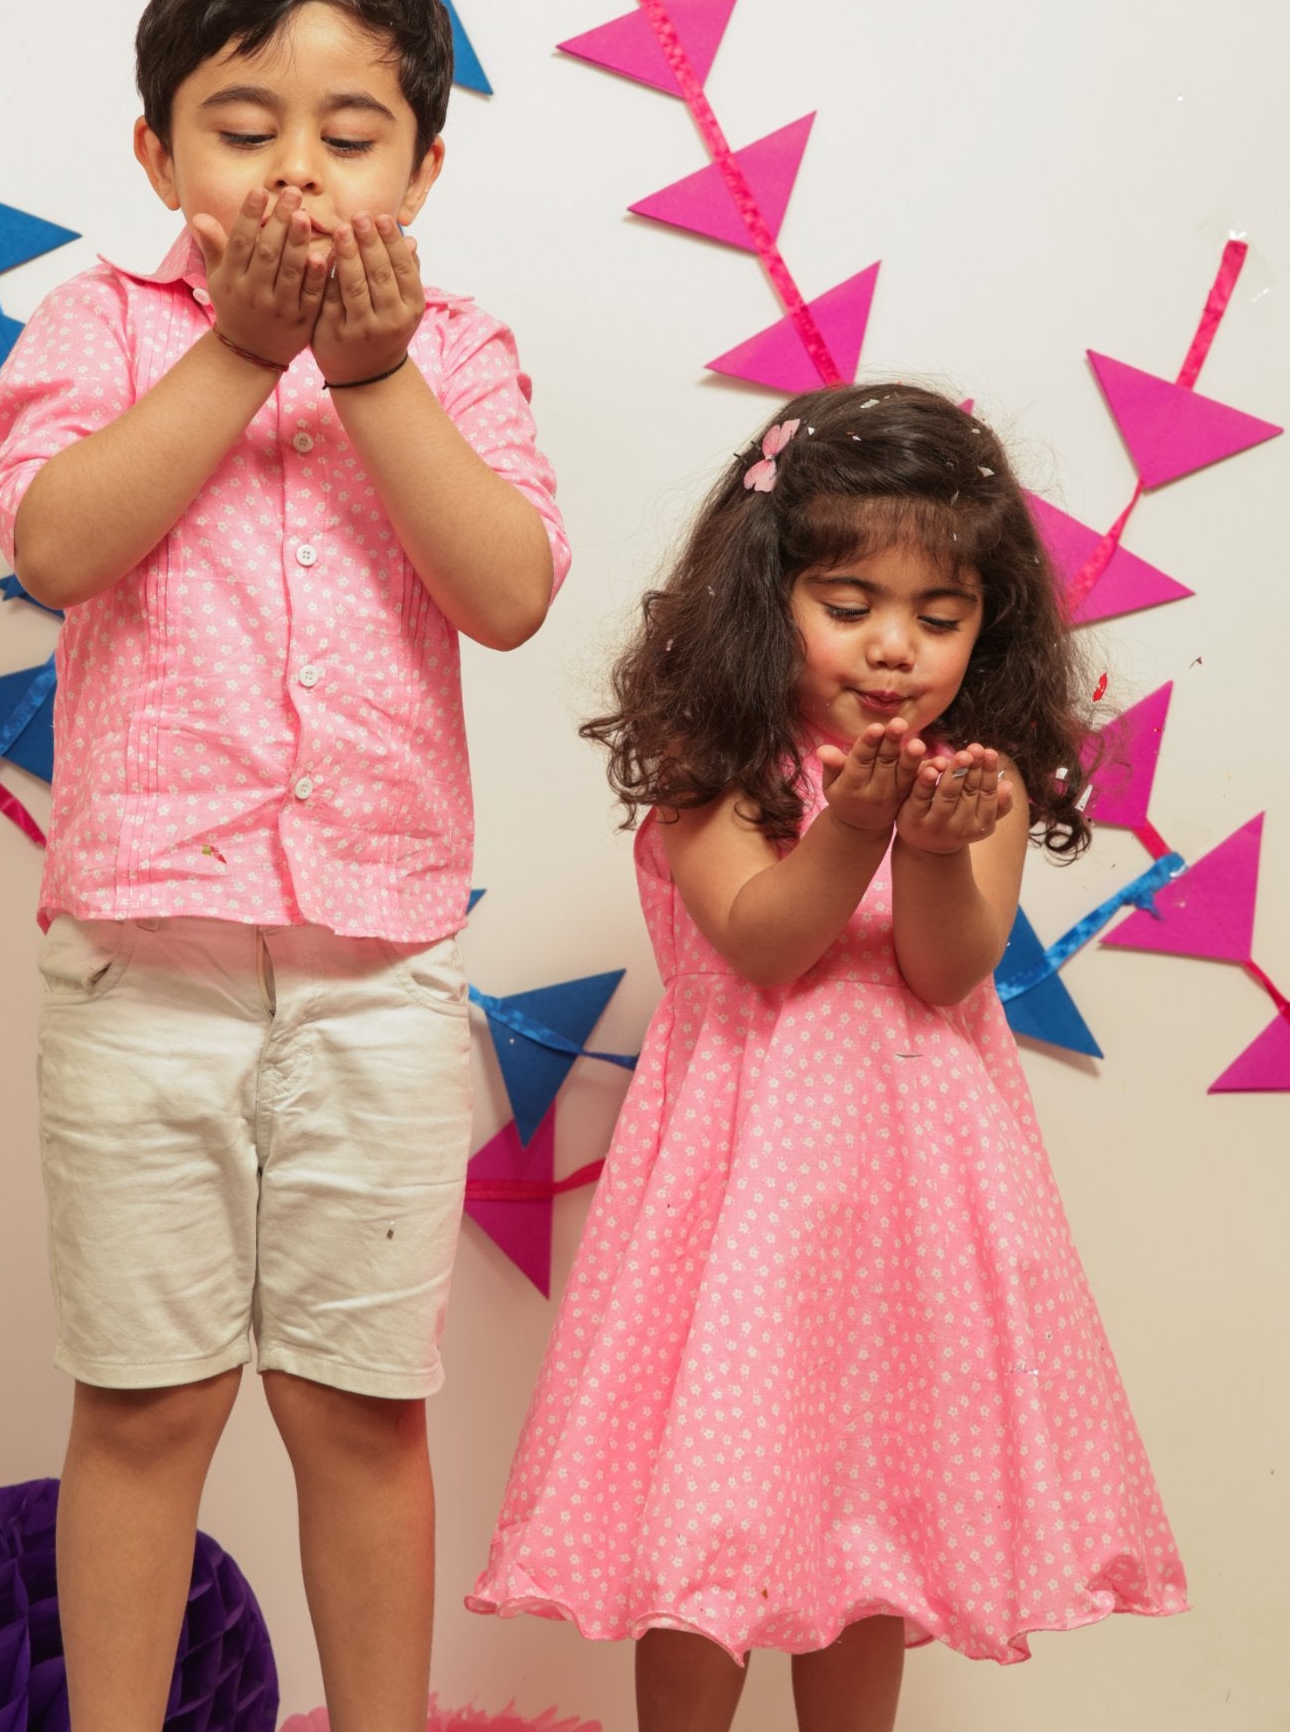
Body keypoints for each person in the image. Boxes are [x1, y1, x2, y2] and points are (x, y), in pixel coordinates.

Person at [0, 0, 570, 1732]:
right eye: (245, 127)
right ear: (158, 153)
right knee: (148, 1400)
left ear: (425, 163)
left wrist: (370, 373)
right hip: (138, 967)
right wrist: (238, 352)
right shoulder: (100, 325)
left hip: (379, 972)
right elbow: (59, 543)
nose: (298, 169)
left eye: (350, 129)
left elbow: (509, 593)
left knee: (355, 1404)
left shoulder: (457, 351)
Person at [467, 384, 1184, 1731]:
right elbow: (765, 941)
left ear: (993, 622)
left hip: (910, 1206)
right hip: (741, 1212)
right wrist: (854, 825)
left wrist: (928, 842)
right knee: (713, 1538)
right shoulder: (718, 762)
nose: (895, 647)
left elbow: (945, 969)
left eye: (940, 615)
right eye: (848, 605)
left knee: (871, 1538)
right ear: (766, 595)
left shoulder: (984, 778)